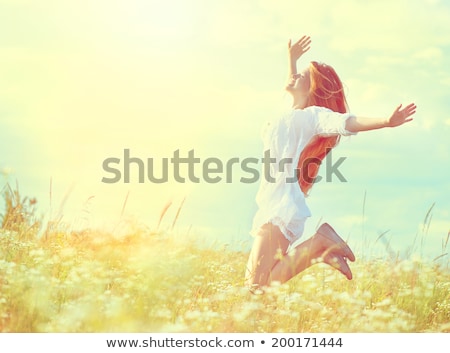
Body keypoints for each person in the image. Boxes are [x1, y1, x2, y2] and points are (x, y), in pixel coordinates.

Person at [245, 35, 416, 293]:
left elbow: (346, 122)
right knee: (260, 286)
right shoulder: (290, 113)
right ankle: (317, 248)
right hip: (272, 202)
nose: (294, 77)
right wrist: (292, 61)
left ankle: (317, 244)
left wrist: (385, 121)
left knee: (255, 288)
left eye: (303, 76)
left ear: (313, 90)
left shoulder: (314, 117)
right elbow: (292, 93)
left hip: (280, 206)